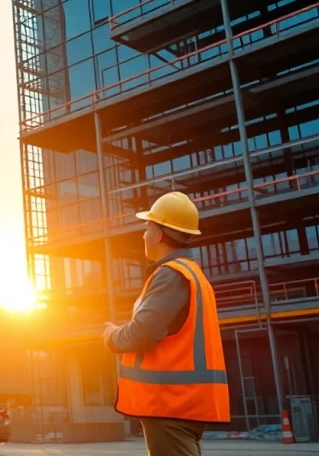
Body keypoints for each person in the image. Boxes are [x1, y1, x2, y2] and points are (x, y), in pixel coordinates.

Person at [102, 191, 230, 456]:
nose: (144, 235)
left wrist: (112, 335)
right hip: (182, 403)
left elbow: (139, 335)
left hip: (170, 404)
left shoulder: (171, 275)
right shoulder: (193, 275)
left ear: (160, 234)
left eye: (147, 227)